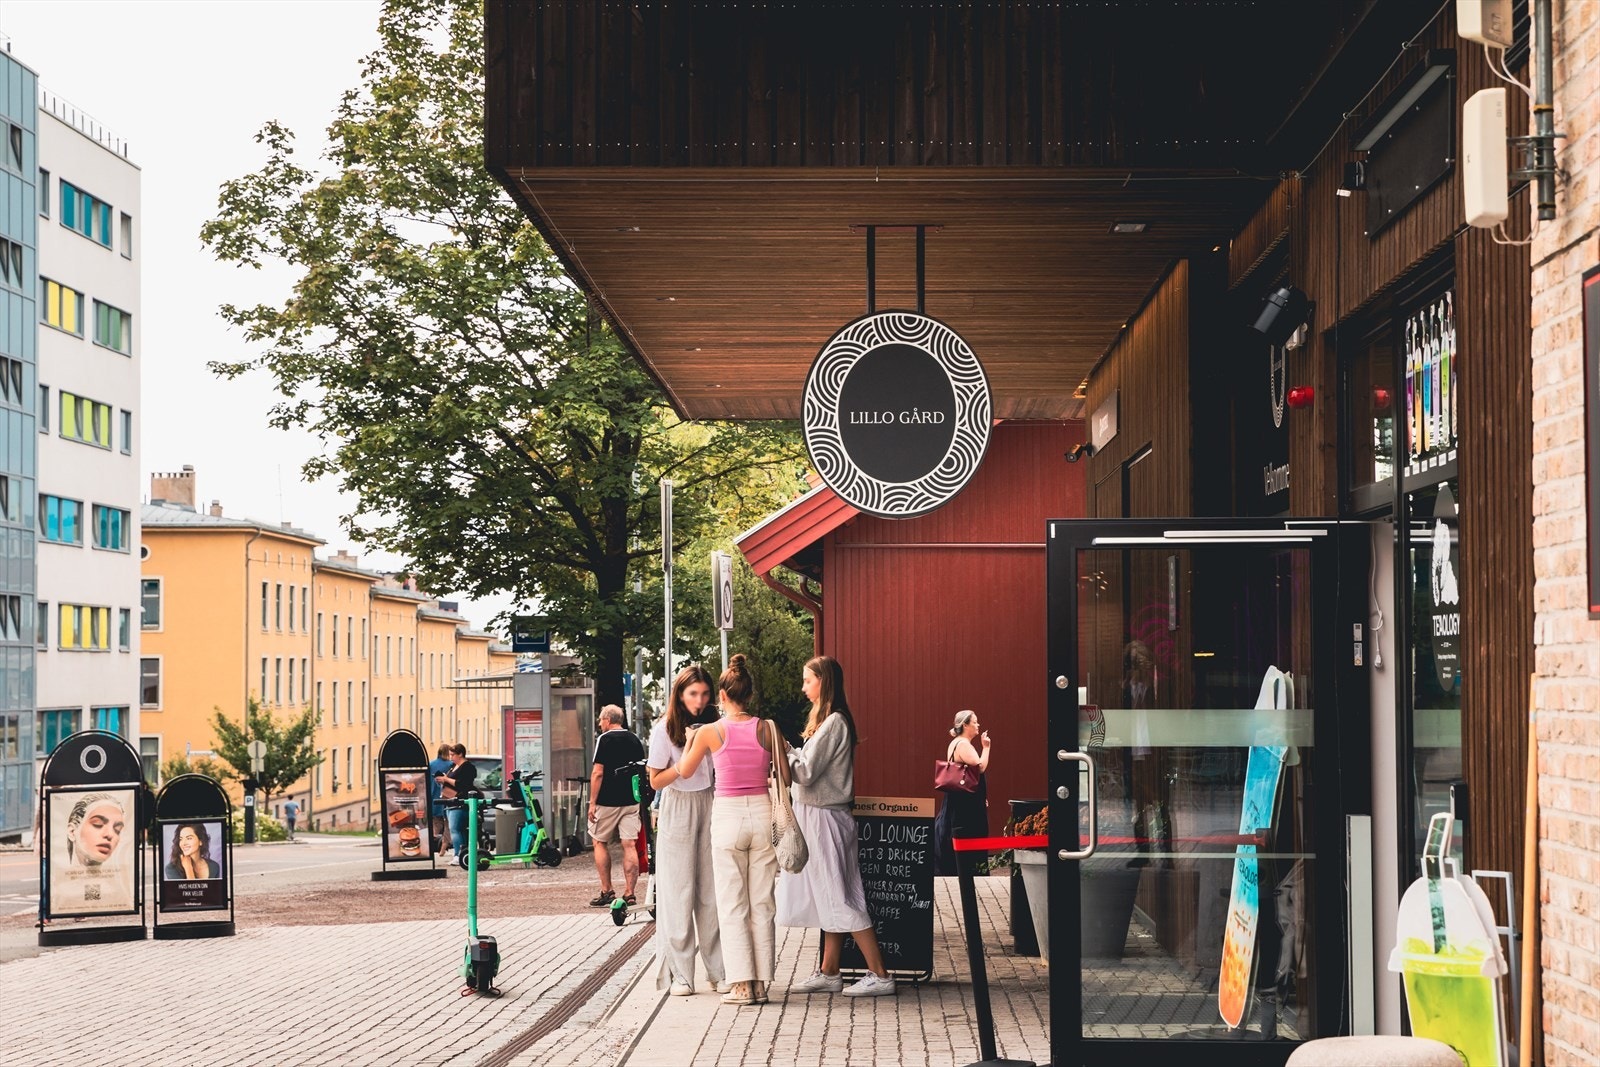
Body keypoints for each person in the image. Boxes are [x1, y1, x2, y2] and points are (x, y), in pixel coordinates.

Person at [778, 656, 896, 997]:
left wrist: (785, 750)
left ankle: (880, 973)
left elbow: (806, 772)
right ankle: (830, 971)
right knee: (830, 894)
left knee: (840, 894)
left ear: (823, 682)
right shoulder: (830, 722)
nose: (803, 688)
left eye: (807, 680)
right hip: (821, 814)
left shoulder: (833, 724)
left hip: (824, 817)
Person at [676, 654, 784, 1006]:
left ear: (722, 695)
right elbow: (787, 771)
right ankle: (762, 983)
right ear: (749, 695)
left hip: (727, 817)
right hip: (763, 812)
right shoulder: (768, 728)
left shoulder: (710, 731)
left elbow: (686, 771)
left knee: (732, 903)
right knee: (762, 902)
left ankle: (740, 984)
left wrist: (693, 741)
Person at [647, 664, 726, 996]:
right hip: (677, 802)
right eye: (693, 693)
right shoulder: (664, 729)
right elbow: (655, 780)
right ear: (680, 694)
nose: (699, 699)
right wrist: (685, 761)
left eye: (705, 693)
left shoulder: (715, 724)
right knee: (678, 890)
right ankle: (682, 974)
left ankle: (718, 970)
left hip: (709, 801)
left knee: (711, 890)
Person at [589, 704, 646, 908]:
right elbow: (642, 769)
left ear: (608, 720)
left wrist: (593, 802)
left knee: (599, 841)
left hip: (607, 800)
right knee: (629, 844)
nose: (599, 723)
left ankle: (607, 890)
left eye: (601, 720)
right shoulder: (634, 739)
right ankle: (630, 893)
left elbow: (598, 772)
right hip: (631, 800)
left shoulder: (604, 739)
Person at [933, 710, 991, 877]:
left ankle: (956, 867)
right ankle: (971, 870)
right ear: (965, 725)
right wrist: (986, 747)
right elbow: (979, 766)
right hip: (966, 803)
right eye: (975, 722)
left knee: (954, 831)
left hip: (959, 798)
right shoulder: (964, 744)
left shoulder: (955, 742)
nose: (978, 725)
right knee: (970, 833)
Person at [434, 744, 478, 859]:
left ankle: (458, 855)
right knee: (459, 829)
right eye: (450, 755)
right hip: (450, 801)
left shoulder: (467, 767)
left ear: (460, 754)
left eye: (453, 755)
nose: (451, 757)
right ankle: (463, 854)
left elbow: (463, 784)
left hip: (460, 801)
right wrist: (443, 780)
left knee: (455, 829)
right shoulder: (454, 766)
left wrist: (446, 779)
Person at [65, 792, 127, 867]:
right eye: (98, 824)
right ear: (72, 831)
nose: (110, 834)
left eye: (117, 830)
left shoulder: (124, 876)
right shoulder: (55, 876)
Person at [428, 743, 453, 856]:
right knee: (448, 823)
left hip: (433, 798)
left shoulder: (431, 764)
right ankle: (443, 847)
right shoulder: (451, 765)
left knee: (435, 823)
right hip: (447, 797)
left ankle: (431, 845)